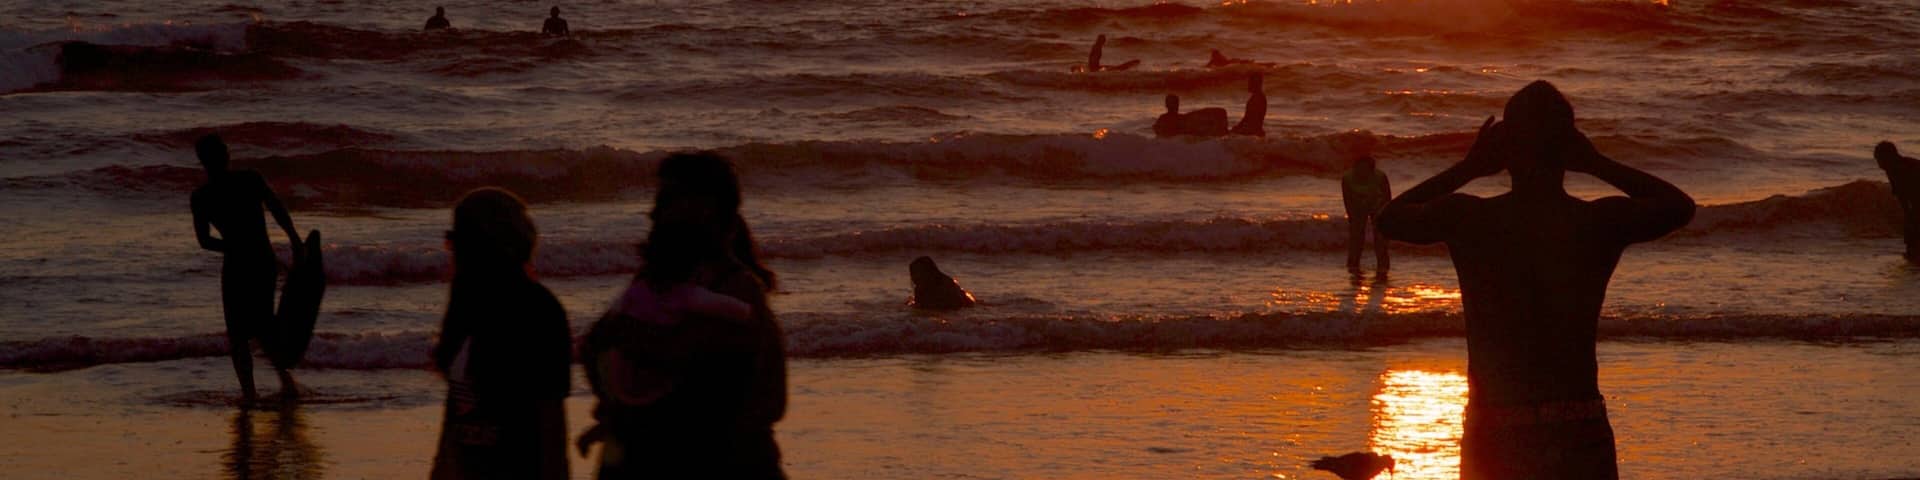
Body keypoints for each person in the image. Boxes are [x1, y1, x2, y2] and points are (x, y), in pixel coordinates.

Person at [1376, 81, 1693, 479]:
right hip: (1578, 426)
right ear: (1569, 147)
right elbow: (1679, 207)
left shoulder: (1470, 219)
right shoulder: (1595, 222)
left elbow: (1389, 219)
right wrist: (1596, 163)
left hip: (1496, 429)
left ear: (1505, 147)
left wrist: (1469, 168)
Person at [581, 153, 787, 479]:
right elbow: (596, 346)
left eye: (666, 201)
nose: (653, 213)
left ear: (705, 208)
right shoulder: (657, 281)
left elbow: (704, 384)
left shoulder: (736, 291)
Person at [429, 188, 571, 480]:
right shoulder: (468, 304)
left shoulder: (538, 309)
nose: (451, 247)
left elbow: (551, 423)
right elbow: (455, 424)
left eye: (458, 238)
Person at [191, 134, 301, 404]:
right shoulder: (249, 179)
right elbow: (276, 207)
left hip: (237, 265)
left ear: (203, 161)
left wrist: (232, 246)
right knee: (264, 326)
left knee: (238, 334)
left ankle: (251, 395)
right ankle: (285, 382)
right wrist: (294, 239)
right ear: (225, 156)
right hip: (262, 260)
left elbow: (205, 241)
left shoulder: (202, 196)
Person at [1342, 155, 1391, 276]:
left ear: (1371, 170)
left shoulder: (1380, 177)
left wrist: (1386, 216)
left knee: (1380, 238)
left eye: (1365, 170)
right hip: (1358, 205)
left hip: (1377, 205)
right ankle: (1353, 266)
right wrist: (1351, 215)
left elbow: (1387, 197)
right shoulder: (1347, 178)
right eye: (1359, 169)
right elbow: (1347, 199)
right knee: (1356, 237)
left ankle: (1383, 267)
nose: (1361, 173)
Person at [1876, 141, 1920, 261]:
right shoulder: (1891, 168)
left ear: (1889, 157)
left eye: (1879, 160)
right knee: (1911, 233)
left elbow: (1909, 196)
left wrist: (1910, 218)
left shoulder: (1904, 168)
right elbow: (1902, 197)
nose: (1879, 165)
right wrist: (1908, 217)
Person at [908, 256, 976, 310]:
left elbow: (958, 303)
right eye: (912, 274)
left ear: (927, 272)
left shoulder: (945, 284)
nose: (913, 278)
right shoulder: (920, 288)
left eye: (916, 273)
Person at [1152, 94, 1229, 138]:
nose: (1176, 105)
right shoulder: (1175, 118)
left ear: (1166, 105)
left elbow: (1157, 131)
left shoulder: (1164, 119)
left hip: (1182, 139)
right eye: (1175, 103)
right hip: (1185, 137)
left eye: (1175, 103)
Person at [1231, 72, 1266, 137]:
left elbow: (1250, 118)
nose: (1248, 85)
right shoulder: (1258, 97)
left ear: (1255, 84)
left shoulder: (1258, 98)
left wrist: (1238, 128)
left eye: (1250, 82)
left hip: (1252, 130)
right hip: (1254, 129)